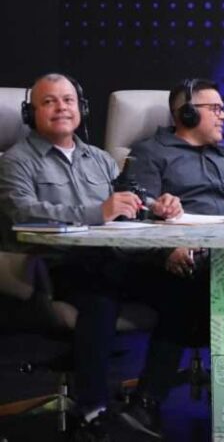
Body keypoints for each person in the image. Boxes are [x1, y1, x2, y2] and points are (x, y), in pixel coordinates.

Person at [0, 73, 203, 441]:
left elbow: (128, 200)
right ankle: (93, 411)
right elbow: (23, 211)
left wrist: (157, 207)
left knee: (179, 293)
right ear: (31, 113)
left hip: (112, 260)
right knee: (100, 296)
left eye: (68, 100)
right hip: (57, 266)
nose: (61, 108)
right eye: (49, 101)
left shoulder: (99, 159)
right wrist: (98, 211)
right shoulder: (16, 160)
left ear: (81, 109)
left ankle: (147, 403)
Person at [127, 78, 224, 219]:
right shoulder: (150, 153)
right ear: (189, 113)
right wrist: (160, 208)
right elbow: (141, 208)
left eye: (222, 109)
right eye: (215, 109)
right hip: (185, 232)